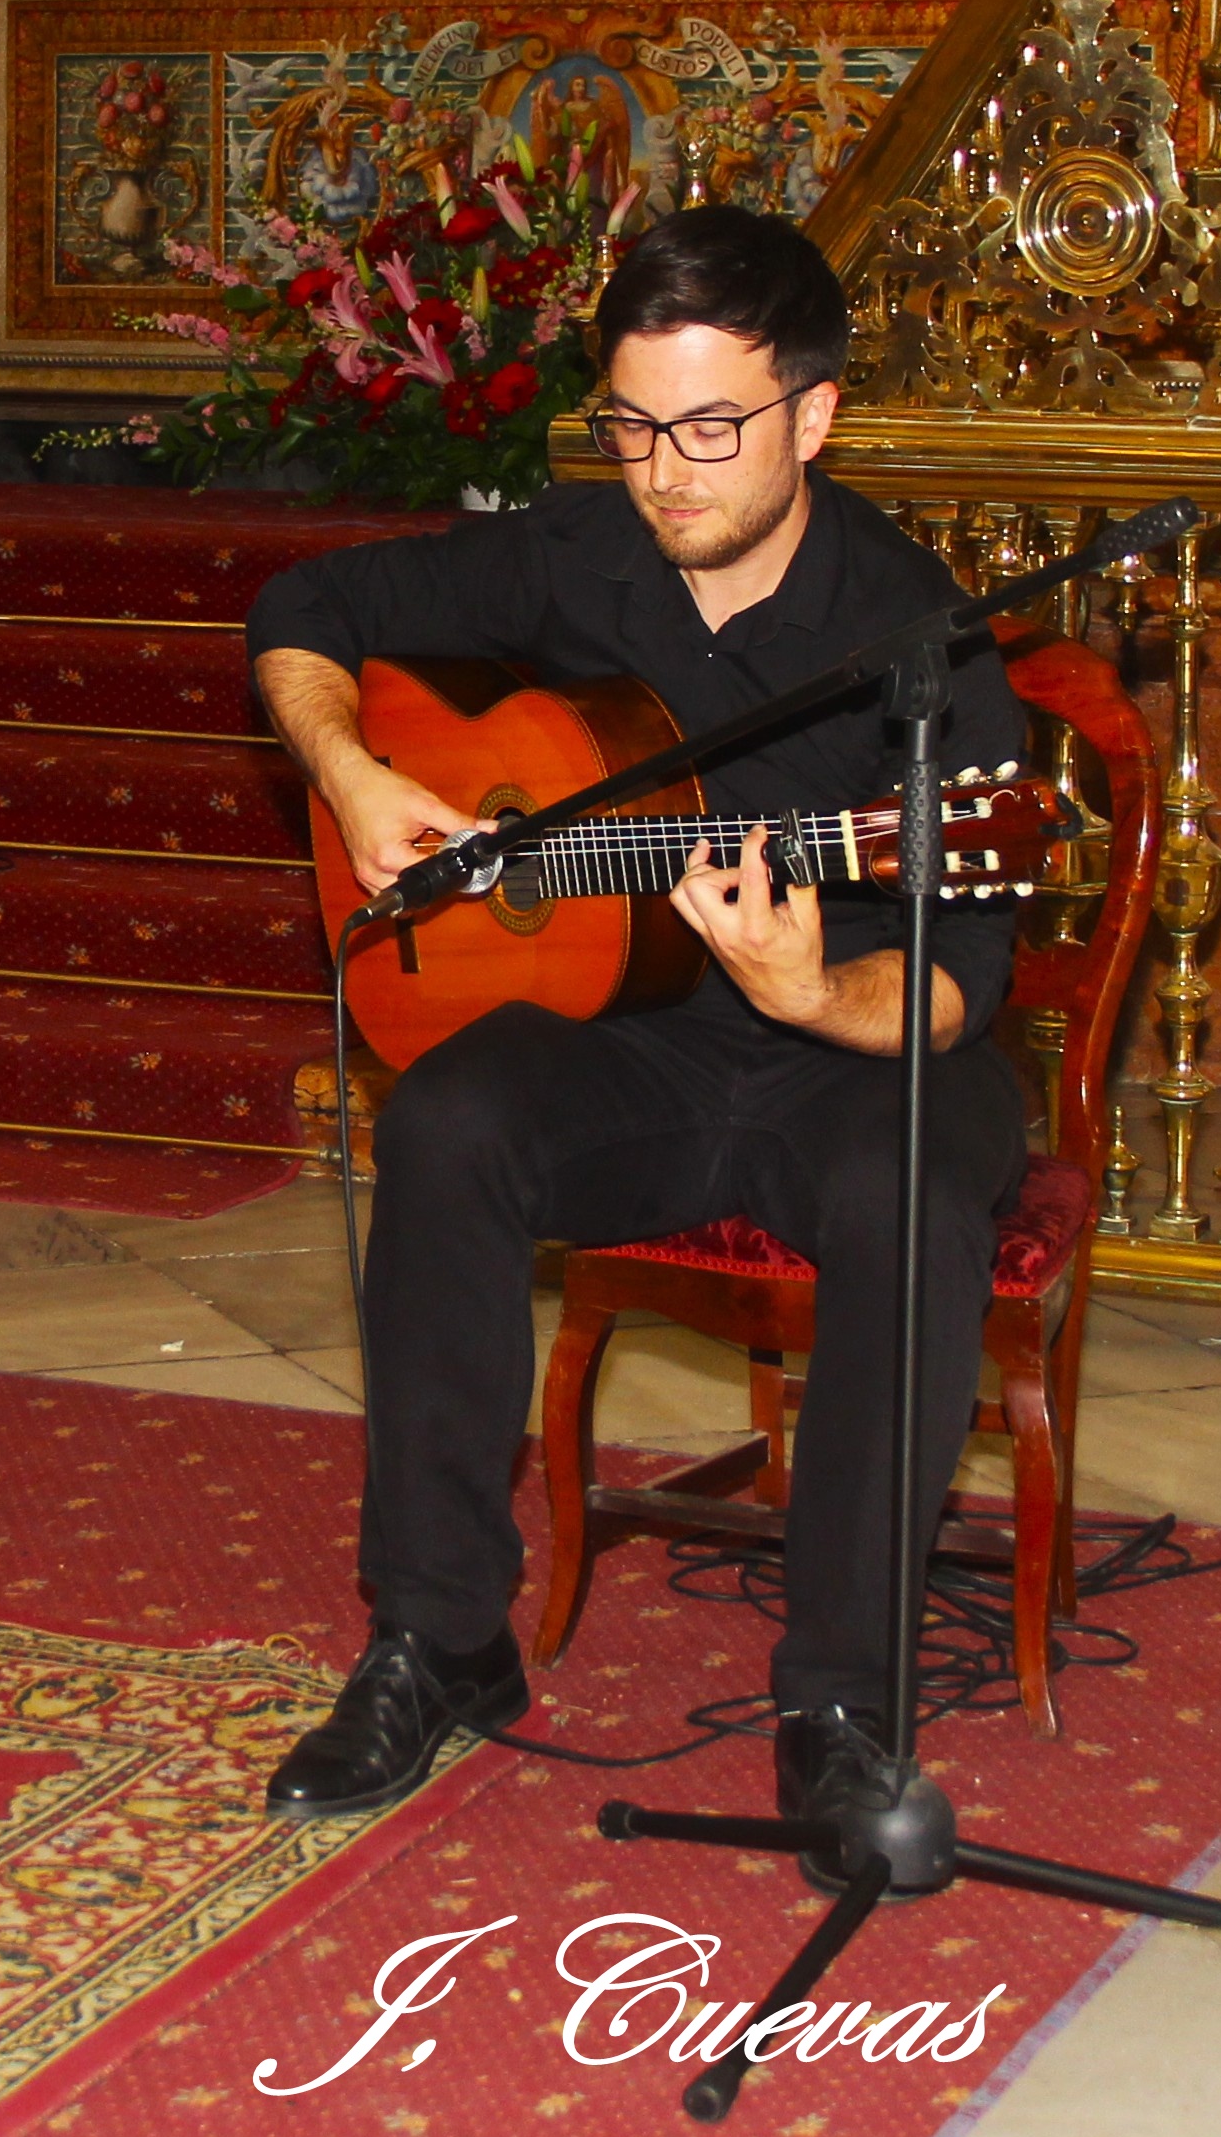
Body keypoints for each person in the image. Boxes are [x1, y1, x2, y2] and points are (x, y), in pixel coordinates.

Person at [240, 204, 1026, 1858]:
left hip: (852, 1049)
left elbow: (962, 975)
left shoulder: (919, 639)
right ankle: (437, 1635)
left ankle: (839, 1708)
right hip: (639, 1036)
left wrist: (813, 992)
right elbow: (303, 603)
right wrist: (354, 773)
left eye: (709, 428)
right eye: (631, 425)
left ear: (813, 413)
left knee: (904, 1192)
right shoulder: (579, 551)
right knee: (444, 1121)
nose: (663, 472)